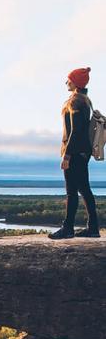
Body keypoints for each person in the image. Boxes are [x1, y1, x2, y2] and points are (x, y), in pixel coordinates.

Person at [48, 66, 100, 240]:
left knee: (71, 191)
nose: (66, 82)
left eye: (69, 79)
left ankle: (67, 228)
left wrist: (67, 155)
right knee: (85, 190)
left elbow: (75, 131)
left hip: (75, 152)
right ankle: (93, 229)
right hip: (83, 152)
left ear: (75, 82)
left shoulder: (75, 101)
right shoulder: (85, 100)